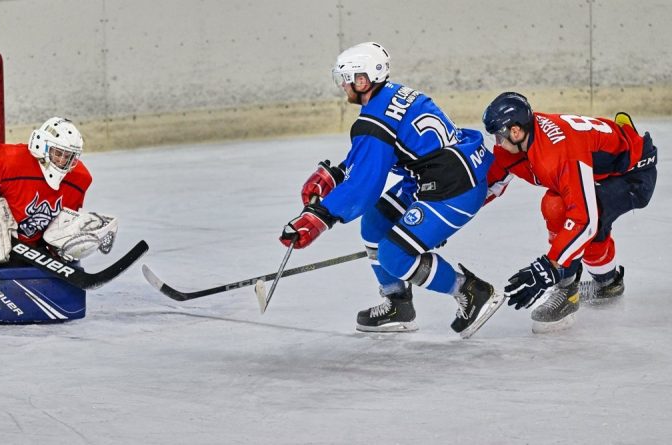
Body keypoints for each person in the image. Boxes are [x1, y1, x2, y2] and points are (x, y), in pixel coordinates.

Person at [278, 42, 496, 334]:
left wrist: (320, 216)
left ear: (363, 80)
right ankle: (398, 304)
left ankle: (470, 291)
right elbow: (381, 155)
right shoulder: (395, 94)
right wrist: (338, 173)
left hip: (451, 190)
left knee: (394, 255)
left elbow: (364, 187)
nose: (343, 85)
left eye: (347, 78)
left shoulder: (374, 121)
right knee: (375, 224)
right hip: (438, 179)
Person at [482, 92, 657, 332]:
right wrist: (444, 218)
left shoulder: (556, 153)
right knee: (573, 213)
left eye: (498, 135)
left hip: (633, 174)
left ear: (515, 131)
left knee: (561, 208)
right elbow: (488, 186)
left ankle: (567, 293)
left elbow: (583, 220)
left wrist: (550, 267)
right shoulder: (520, 142)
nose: (497, 142)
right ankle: (608, 284)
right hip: (602, 171)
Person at [0, 116, 94, 269]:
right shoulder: (8, 160)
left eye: (68, 157)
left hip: (29, 251)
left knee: (68, 264)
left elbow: (63, 223)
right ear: (42, 145)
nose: (62, 161)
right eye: (58, 153)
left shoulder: (80, 178)